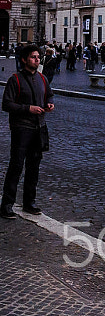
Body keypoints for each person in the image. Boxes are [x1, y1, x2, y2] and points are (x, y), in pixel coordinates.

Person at [2, 46, 54, 218]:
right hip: (21, 128)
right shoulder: (15, 79)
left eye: (38, 57)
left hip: (39, 128)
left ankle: (29, 202)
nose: (37, 60)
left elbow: (49, 95)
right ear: (24, 60)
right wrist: (27, 108)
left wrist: (49, 104)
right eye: (33, 57)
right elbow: (6, 105)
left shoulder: (42, 78)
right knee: (16, 166)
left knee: (34, 167)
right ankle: (7, 205)